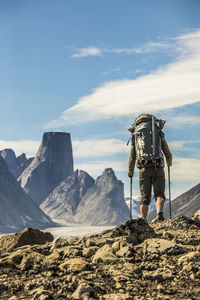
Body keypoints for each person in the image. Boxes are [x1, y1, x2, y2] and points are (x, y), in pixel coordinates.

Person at [128, 114, 172, 221]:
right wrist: (169, 162)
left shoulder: (136, 134)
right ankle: (160, 215)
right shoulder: (157, 132)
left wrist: (131, 172)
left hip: (144, 169)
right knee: (159, 194)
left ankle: (143, 220)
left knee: (145, 197)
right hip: (158, 167)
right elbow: (167, 151)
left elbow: (132, 157)